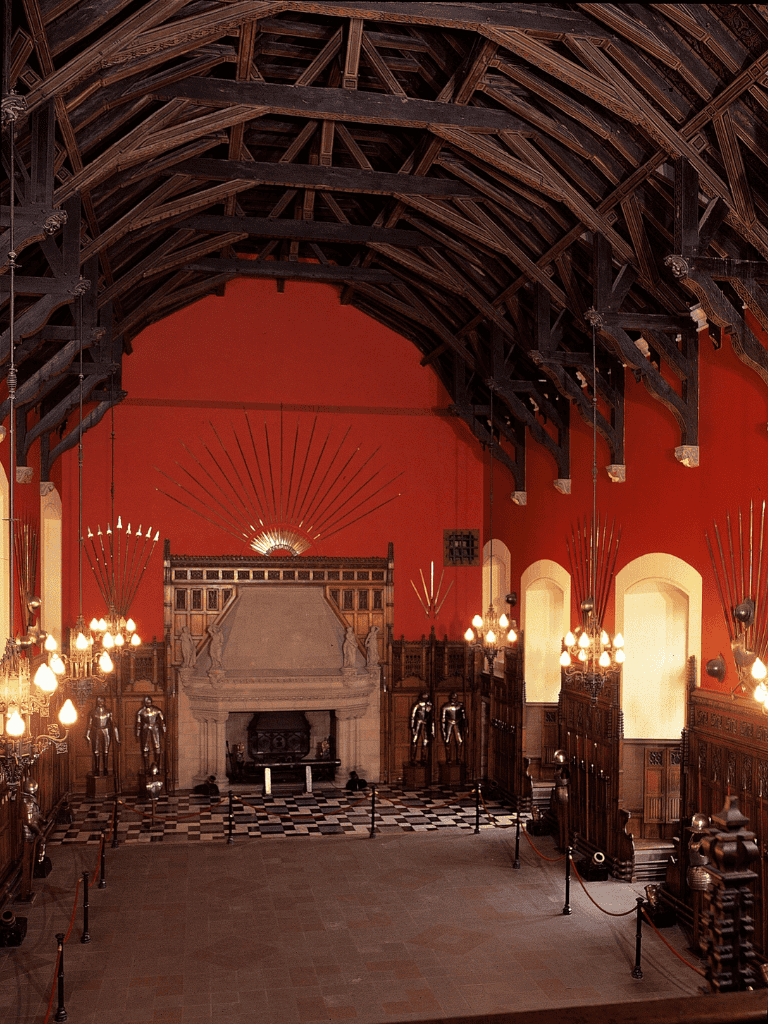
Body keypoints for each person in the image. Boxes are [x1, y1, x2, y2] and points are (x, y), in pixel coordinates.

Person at [85, 696, 119, 776]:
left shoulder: (108, 712)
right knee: (96, 751)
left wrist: (117, 737)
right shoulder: (92, 712)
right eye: (99, 701)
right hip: (96, 730)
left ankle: (105, 768)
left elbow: (114, 725)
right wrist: (87, 734)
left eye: (102, 701)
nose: (100, 703)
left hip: (106, 730)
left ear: (104, 701)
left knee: (106, 751)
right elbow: (89, 725)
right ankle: (96, 768)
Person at [136, 696, 166, 773]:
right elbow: (138, 724)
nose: (148, 704)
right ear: (144, 703)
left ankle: (157, 765)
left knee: (157, 746)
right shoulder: (141, 711)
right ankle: (146, 767)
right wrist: (137, 734)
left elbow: (163, 722)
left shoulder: (157, 710)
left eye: (149, 702)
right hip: (145, 728)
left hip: (155, 727)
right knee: (145, 748)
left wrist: (164, 732)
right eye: (146, 702)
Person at [440, 692, 466, 763]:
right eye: (452, 698)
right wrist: (443, 730)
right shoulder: (445, 707)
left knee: (460, 741)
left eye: (454, 698)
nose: (453, 700)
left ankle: (459, 758)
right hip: (449, 723)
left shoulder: (460, 706)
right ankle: (448, 759)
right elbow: (443, 719)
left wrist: (465, 728)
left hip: (458, 723)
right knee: (447, 741)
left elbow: (464, 718)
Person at [409, 692, 434, 764]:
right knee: (414, 740)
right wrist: (412, 727)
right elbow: (412, 717)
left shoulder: (429, 706)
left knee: (425, 741)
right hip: (418, 723)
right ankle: (413, 759)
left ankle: (424, 759)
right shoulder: (416, 705)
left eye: (426, 697)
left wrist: (432, 730)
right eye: (424, 697)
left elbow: (432, 718)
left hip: (425, 724)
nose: (425, 699)